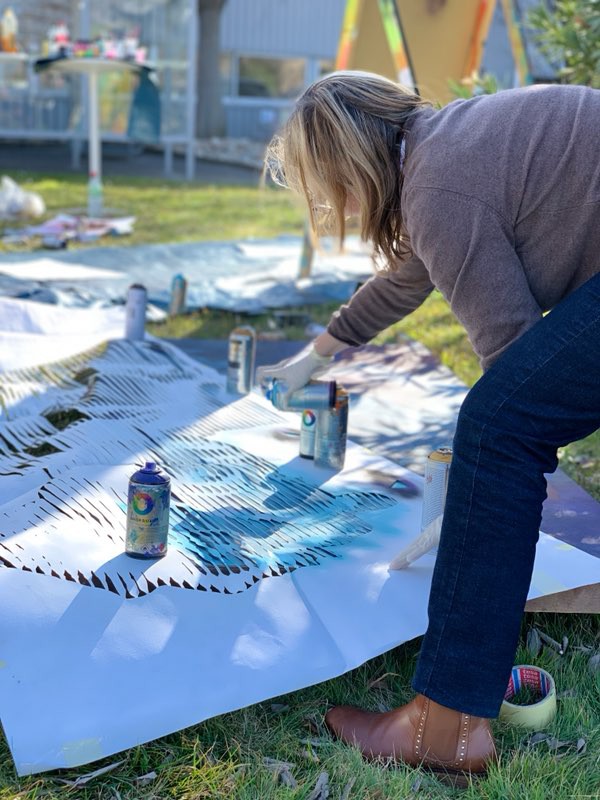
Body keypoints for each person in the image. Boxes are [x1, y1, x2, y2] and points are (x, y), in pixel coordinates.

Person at [256, 70, 600, 783]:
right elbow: (404, 281)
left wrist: (479, 506)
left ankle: (446, 726)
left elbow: (513, 372)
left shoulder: (440, 185)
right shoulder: (447, 147)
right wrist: (308, 360)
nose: (336, 204)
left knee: (497, 426)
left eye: (328, 187)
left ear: (347, 162)